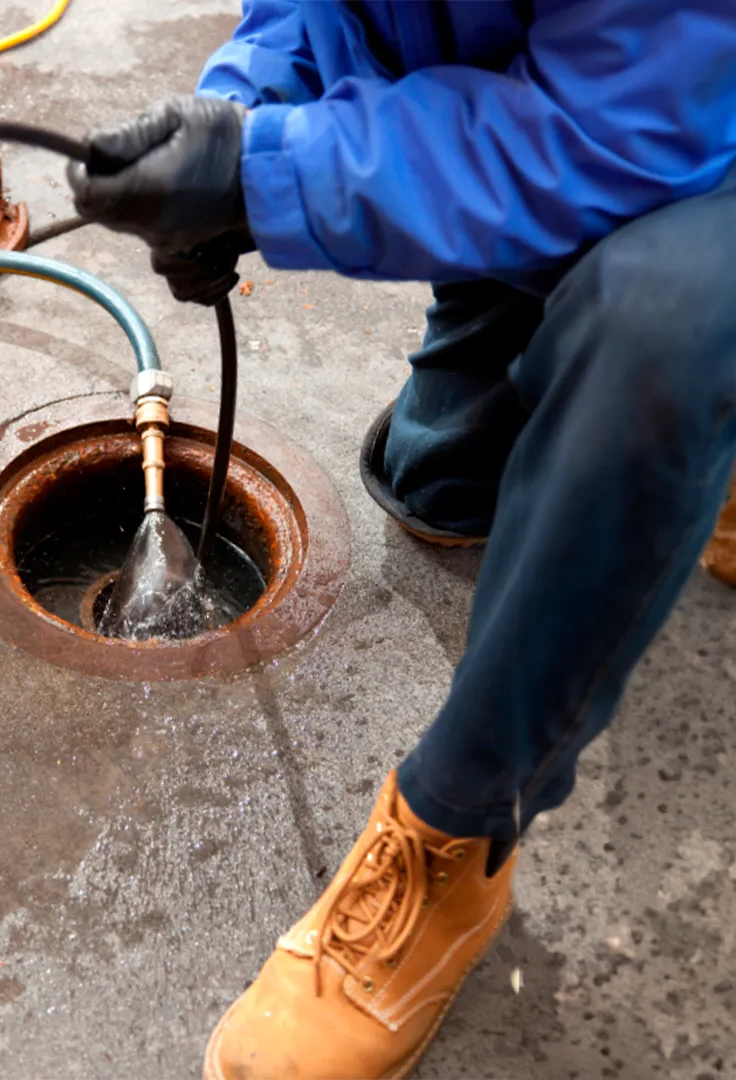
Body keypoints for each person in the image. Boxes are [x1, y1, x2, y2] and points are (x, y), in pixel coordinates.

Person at [68, 2, 736, 1077]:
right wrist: (239, 113)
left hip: (677, 132)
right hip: (579, 104)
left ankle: (456, 833)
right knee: (437, 488)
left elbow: (628, 128)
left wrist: (270, 174)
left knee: (658, 342)